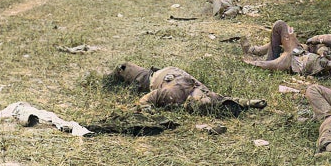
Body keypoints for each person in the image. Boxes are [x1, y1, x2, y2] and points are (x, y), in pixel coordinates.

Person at [114, 62, 267, 115]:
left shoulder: (204, 93)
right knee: (122, 68)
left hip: (173, 74)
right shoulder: (173, 94)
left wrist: (249, 103)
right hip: (152, 77)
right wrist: (148, 109)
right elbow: (145, 100)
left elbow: (226, 99)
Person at [241, 20, 331, 76]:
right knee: (282, 35)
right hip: (306, 51)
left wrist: (317, 42)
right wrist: (318, 44)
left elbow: (330, 42)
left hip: (303, 54)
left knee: (280, 25)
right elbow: (330, 42)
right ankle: (255, 52)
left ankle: (257, 56)